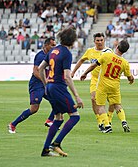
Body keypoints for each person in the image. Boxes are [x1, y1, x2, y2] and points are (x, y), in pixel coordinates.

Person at [39, 28, 84, 157]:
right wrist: (77, 96)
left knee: (58, 117)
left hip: (50, 87)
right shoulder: (66, 53)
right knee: (75, 116)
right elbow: (67, 76)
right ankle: (56, 143)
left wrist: (46, 84)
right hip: (59, 87)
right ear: (72, 40)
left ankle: (45, 150)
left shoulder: (53, 50)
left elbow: (41, 68)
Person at [80, 40, 134, 133]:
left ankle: (107, 126)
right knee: (117, 105)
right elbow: (129, 76)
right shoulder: (125, 63)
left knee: (101, 106)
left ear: (117, 47)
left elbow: (93, 66)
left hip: (103, 85)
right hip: (115, 86)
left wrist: (85, 73)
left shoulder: (106, 55)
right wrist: (131, 79)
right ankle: (123, 121)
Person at [8, 37, 56, 134]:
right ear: (46, 45)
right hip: (37, 85)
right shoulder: (40, 56)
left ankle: (50, 121)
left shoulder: (52, 56)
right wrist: (46, 82)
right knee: (34, 109)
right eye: (52, 45)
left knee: (58, 100)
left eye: (55, 45)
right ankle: (13, 124)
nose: (54, 47)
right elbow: (35, 72)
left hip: (45, 84)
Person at [71, 32, 114, 131]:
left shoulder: (109, 52)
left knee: (111, 101)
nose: (99, 42)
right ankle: (100, 121)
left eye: (101, 40)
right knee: (93, 99)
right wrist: (73, 72)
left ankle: (109, 119)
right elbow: (81, 60)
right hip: (95, 79)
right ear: (94, 41)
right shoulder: (90, 51)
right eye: (97, 40)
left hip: (107, 79)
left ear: (104, 40)